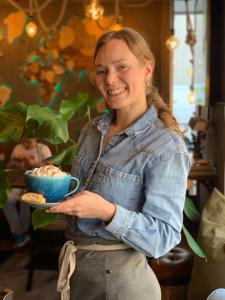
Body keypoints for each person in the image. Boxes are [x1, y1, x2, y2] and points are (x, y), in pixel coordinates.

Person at [48, 27, 190, 300]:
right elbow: (82, 196)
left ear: (146, 70)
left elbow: (163, 238)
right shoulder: (92, 130)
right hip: (78, 274)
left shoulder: (165, 147)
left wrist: (107, 211)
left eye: (122, 67)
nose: (111, 79)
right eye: (101, 71)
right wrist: (53, 187)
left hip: (122, 285)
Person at [3, 138, 52, 248]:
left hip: (36, 184)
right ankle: (18, 232)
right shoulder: (18, 148)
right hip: (18, 182)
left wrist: (34, 163)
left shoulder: (42, 149)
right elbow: (9, 167)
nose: (26, 144)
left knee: (25, 201)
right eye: (23, 141)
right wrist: (16, 162)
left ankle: (22, 233)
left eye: (29, 142)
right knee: (6, 200)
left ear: (35, 138)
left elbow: (50, 169)